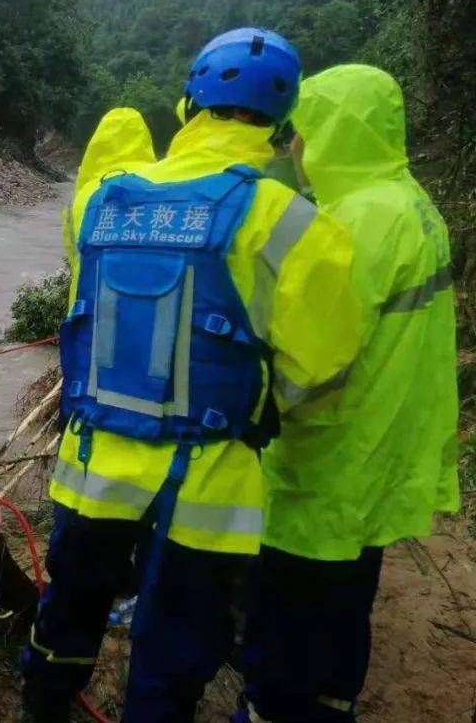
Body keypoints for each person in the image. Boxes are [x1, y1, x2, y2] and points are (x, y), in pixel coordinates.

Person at [21, 28, 364, 723]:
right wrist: (261, 408)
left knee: (68, 615)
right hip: (207, 486)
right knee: (172, 652)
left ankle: (42, 709)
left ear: (187, 104)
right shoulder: (288, 221)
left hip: (91, 466)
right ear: (282, 125)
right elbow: (324, 366)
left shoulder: (100, 200)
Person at [238, 65, 459, 723]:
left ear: (337, 133)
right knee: (348, 598)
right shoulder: (410, 201)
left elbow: (313, 362)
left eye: (304, 132)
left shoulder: (356, 222)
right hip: (383, 445)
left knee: (285, 609)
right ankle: (335, 702)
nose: (296, 147)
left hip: (327, 458)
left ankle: (272, 710)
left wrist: (247, 414)